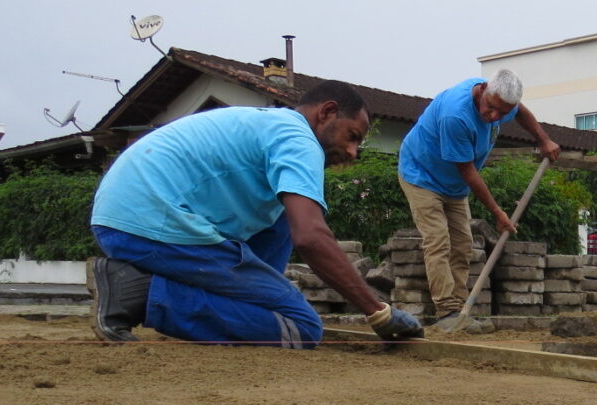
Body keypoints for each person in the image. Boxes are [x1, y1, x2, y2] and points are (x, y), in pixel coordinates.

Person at [90, 81, 422, 348]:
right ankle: (138, 293)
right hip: (146, 222)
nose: (352, 152)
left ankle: (244, 304)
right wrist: (377, 310)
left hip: (124, 215)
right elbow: (311, 236)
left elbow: (294, 228)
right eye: (352, 137)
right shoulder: (298, 139)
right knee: (302, 328)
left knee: (280, 216)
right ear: (328, 112)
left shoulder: (270, 126)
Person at [398, 69, 560, 325]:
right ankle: (447, 311)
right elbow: (468, 172)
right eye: (492, 108)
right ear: (483, 89)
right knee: (438, 240)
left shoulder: (501, 101)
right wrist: (498, 213)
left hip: (453, 184)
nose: (494, 117)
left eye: (503, 113)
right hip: (422, 175)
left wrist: (544, 140)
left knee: (462, 244)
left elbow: (522, 114)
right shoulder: (456, 115)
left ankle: (459, 313)